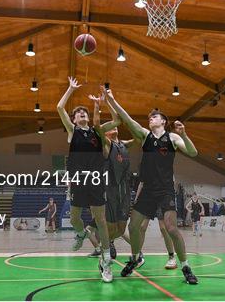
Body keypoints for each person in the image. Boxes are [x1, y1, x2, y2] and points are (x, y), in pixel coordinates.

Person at [104, 87, 199, 284]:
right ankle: (135, 258)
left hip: (165, 190)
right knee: (134, 226)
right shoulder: (145, 136)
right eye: (150, 117)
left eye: (154, 117)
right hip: (147, 189)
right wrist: (112, 100)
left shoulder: (172, 138)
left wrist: (185, 134)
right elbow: (127, 118)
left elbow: (193, 153)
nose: (151, 119)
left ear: (163, 121)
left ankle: (186, 267)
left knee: (172, 228)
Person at [57, 77, 119, 283]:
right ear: (74, 120)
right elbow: (59, 107)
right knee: (75, 218)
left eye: (84, 113)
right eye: (78, 114)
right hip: (77, 180)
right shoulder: (72, 131)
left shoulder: (97, 132)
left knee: (100, 219)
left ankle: (106, 259)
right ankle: (81, 234)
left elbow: (117, 120)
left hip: (95, 179)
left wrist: (106, 101)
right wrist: (70, 89)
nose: (81, 114)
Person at [90, 91, 133, 260]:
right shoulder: (106, 146)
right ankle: (105, 251)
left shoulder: (124, 144)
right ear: (106, 134)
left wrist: (109, 101)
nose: (113, 126)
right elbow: (96, 125)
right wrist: (97, 105)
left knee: (122, 229)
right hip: (110, 191)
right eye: (109, 127)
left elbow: (135, 135)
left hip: (125, 191)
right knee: (110, 226)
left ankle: (108, 243)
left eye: (114, 126)